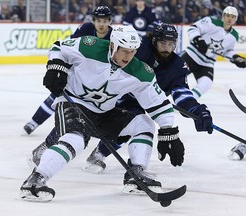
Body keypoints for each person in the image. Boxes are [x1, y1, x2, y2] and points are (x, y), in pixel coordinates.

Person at [20, 25, 185, 201]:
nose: (128, 56)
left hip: (104, 112)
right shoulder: (90, 46)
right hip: (73, 103)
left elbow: (157, 102)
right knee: (75, 139)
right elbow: (59, 47)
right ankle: (35, 181)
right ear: (113, 45)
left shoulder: (140, 71)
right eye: (124, 51)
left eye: (132, 51)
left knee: (143, 123)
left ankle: (135, 175)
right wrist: (56, 67)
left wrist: (168, 130)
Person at [83, 23, 213, 173]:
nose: (166, 47)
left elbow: (181, 93)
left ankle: (132, 164)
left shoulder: (177, 65)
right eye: (163, 43)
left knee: (138, 126)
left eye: (171, 44)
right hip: (123, 96)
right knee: (128, 124)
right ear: (154, 41)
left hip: (151, 101)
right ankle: (100, 155)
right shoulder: (140, 49)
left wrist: (196, 110)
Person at [23, 6, 113, 135]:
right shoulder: (85, 29)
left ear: (110, 21)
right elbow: (68, 46)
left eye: (105, 21)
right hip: (78, 71)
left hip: (98, 75)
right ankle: (34, 122)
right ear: (93, 20)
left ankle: (94, 127)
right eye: (99, 20)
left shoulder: (114, 36)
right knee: (57, 94)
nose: (102, 24)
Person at [181, 6, 246, 99]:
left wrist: (236, 58)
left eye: (233, 17)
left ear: (236, 19)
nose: (230, 19)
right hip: (192, 56)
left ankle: (187, 100)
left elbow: (227, 51)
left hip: (207, 63)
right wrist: (198, 40)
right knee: (174, 77)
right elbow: (193, 28)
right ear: (223, 16)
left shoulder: (234, 35)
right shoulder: (211, 21)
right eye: (228, 16)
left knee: (206, 83)